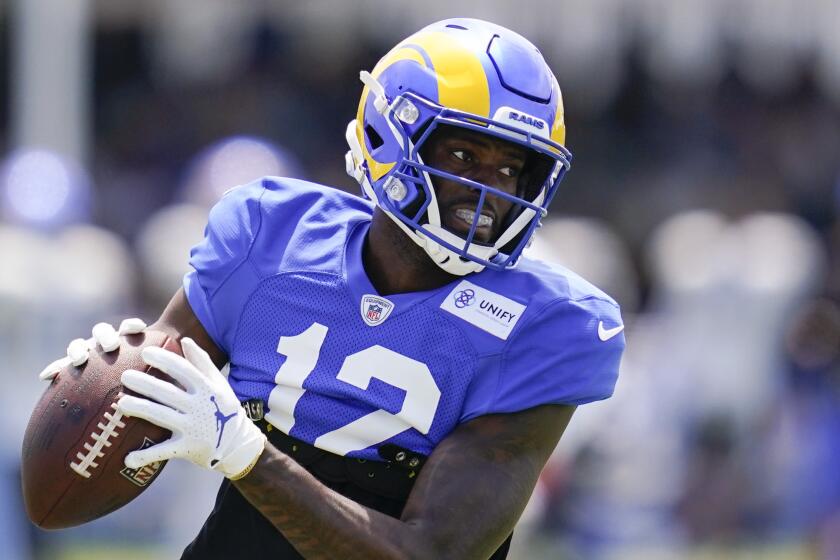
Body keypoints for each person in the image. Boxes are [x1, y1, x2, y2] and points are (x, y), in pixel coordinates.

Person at [40, 18, 624, 559]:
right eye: (464, 155)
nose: (487, 190)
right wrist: (114, 369)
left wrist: (249, 457)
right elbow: (157, 371)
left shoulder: (548, 325)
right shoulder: (269, 234)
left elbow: (433, 553)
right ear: (386, 138)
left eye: (509, 169)